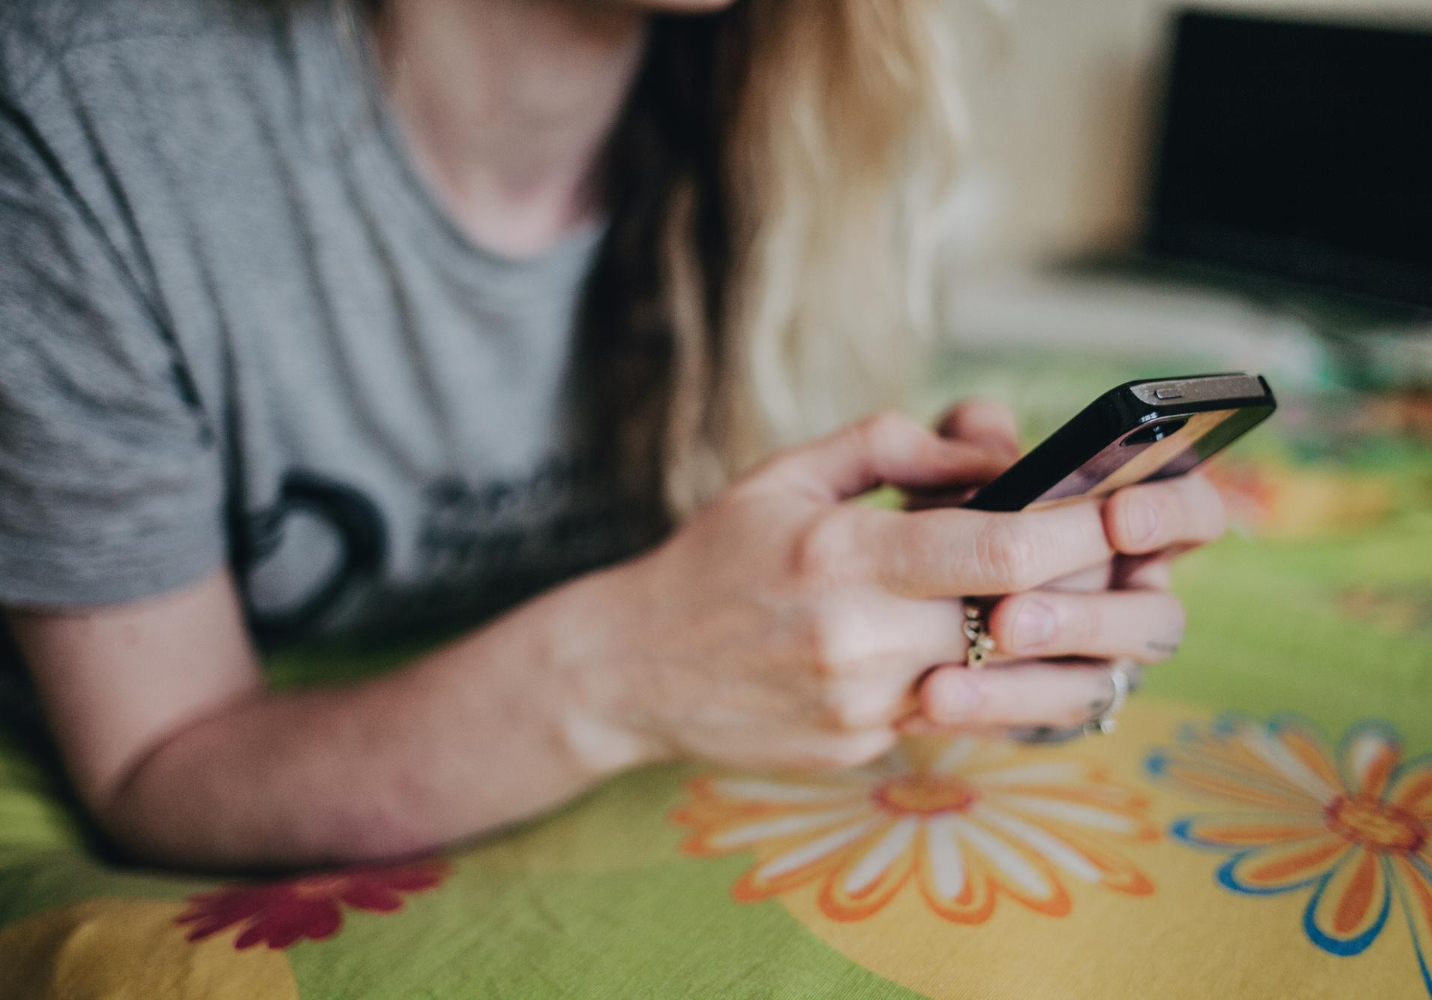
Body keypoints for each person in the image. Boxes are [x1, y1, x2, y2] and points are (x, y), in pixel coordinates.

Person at [0, 0, 1226, 870]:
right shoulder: (86, 102)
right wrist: (617, 676)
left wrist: (976, 619)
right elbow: (153, 766)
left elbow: (775, 586)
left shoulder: (820, 119)